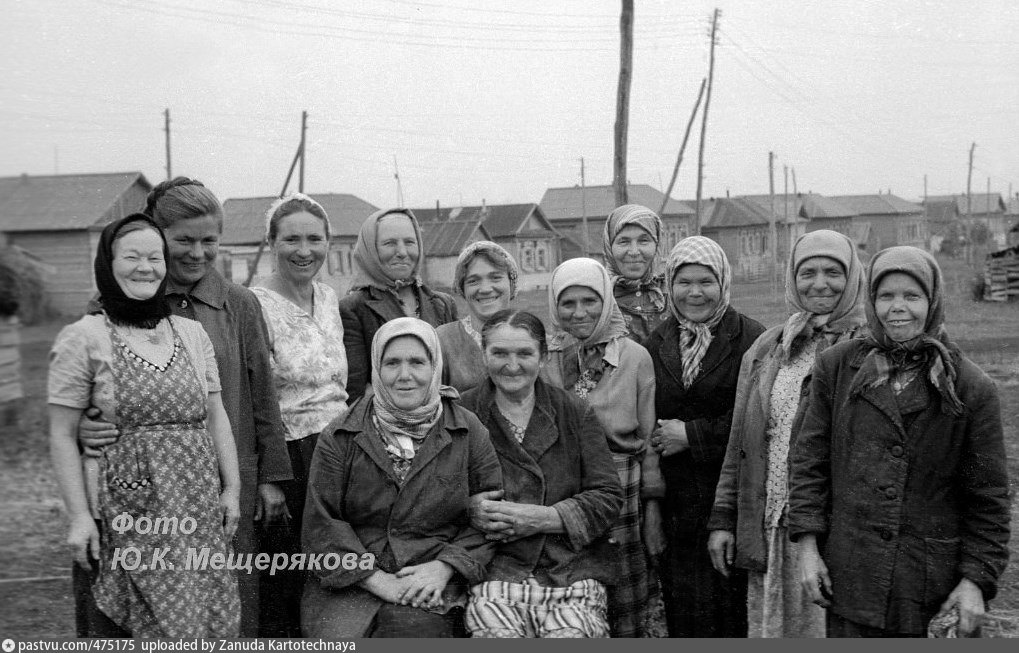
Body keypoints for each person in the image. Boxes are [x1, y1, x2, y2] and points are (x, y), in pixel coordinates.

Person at [77, 178, 291, 637]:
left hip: (226, 483)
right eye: (183, 241)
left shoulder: (240, 304)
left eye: (209, 240)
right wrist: (83, 428)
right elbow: (84, 393)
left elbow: (262, 393)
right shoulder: (108, 306)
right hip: (141, 487)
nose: (197, 252)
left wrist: (271, 478)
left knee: (227, 602)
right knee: (147, 604)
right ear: (157, 236)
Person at [788, 246, 1011, 638]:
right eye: (886, 296)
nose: (897, 308)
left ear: (932, 300)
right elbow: (808, 464)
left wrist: (975, 580)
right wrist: (807, 549)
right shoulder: (837, 367)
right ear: (871, 302)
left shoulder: (969, 386)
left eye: (912, 296)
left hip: (927, 586)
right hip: (851, 576)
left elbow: (988, 500)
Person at [49, 214, 241, 637]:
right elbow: (62, 435)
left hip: (194, 510)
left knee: (198, 622)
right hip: (119, 515)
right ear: (107, 263)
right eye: (131, 256)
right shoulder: (82, 338)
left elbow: (216, 417)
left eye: (155, 257)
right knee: (123, 626)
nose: (145, 267)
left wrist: (232, 490)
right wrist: (80, 517)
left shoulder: (191, 333)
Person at [707, 230, 867, 637]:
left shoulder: (869, 349)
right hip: (770, 522)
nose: (819, 283)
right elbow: (739, 443)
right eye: (806, 272)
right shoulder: (769, 347)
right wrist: (724, 519)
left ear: (852, 279)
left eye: (833, 272)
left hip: (836, 530)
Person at [301, 317, 503, 638]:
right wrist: (377, 580)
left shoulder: (467, 429)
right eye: (392, 363)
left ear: (435, 366)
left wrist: (445, 567)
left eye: (417, 363)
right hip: (351, 579)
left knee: (414, 630)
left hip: (428, 577)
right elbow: (320, 525)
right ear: (376, 369)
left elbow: (489, 519)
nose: (404, 375)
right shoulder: (340, 435)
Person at [460, 310, 624, 638]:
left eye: (524, 353)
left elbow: (607, 496)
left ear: (544, 356)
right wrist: (468, 507)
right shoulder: (462, 415)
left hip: (569, 569)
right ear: (483, 354)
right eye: (500, 353)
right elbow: (433, 494)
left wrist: (545, 517)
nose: (512, 365)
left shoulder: (574, 412)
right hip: (496, 570)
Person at [643, 236, 766, 637]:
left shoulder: (751, 338)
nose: (695, 292)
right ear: (669, 286)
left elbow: (759, 417)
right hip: (678, 503)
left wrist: (692, 435)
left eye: (706, 281)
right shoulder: (657, 342)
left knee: (731, 607)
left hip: (728, 497)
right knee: (684, 608)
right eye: (684, 282)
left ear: (723, 282)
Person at [542, 258, 663, 637]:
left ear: (607, 301)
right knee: (574, 591)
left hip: (621, 486)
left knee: (624, 593)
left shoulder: (634, 356)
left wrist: (653, 507)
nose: (579, 313)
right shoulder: (546, 355)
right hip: (563, 488)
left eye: (590, 301)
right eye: (568, 303)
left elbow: (649, 438)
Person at [250, 193, 349, 637]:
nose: (304, 250)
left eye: (314, 238)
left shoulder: (329, 298)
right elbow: (253, 396)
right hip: (290, 454)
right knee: (286, 570)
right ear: (272, 242)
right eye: (291, 239)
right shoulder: (253, 304)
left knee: (336, 563)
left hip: (342, 450)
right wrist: (267, 476)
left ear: (329, 241)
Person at [339, 208, 458, 403]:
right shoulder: (353, 308)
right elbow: (356, 392)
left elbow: (452, 377)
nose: (402, 252)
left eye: (410, 242)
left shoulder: (442, 304)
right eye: (389, 243)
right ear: (371, 250)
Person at [436, 241, 519, 393]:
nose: (485, 289)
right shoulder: (441, 340)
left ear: (511, 283)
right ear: (462, 288)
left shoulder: (533, 336)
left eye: (495, 278)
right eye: (473, 281)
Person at [602, 204, 669, 343]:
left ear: (657, 245)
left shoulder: (675, 294)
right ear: (609, 246)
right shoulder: (598, 296)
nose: (634, 252)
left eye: (644, 241)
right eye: (623, 241)